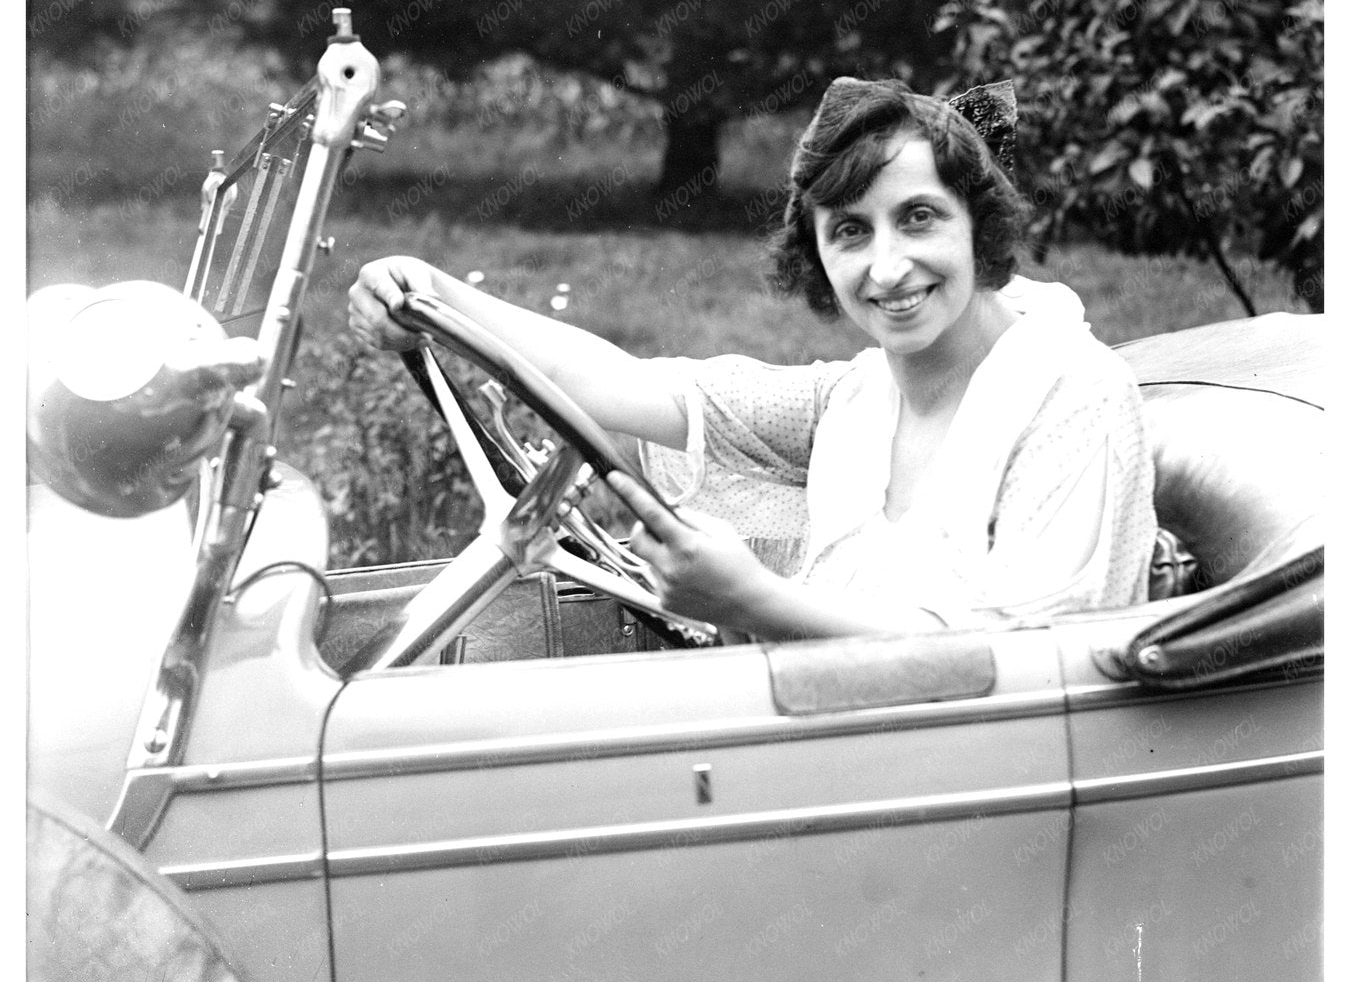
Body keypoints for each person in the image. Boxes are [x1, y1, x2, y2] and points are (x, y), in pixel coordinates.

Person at [348, 78, 1157, 640]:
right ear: (816, 254)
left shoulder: (1072, 392)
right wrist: (438, 295)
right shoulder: (856, 399)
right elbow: (624, 387)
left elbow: (1036, 660)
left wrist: (757, 601)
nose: (885, 268)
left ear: (981, 228)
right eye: (849, 231)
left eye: (918, 219)